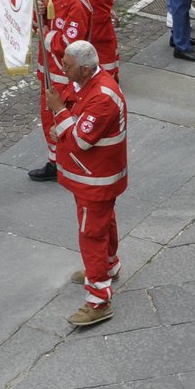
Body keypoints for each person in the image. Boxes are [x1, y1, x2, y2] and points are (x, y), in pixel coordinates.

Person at [53, 40, 128, 327]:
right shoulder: (89, 84)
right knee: (103, 222)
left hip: (95, 179)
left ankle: (98, 300)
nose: (63, 69)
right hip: (93, 177)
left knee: (91, 236)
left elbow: (80, 141)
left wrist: (59, 112)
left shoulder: (103, 97)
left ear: (85, 69)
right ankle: (109, 265)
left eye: (68, 66)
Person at [28, 0, 96, 182]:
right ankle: (55, 161)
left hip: (62, 75)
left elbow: (67, 44)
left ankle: (61, 164)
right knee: (49, 118)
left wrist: (47, 32)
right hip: (52, 72)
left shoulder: (76, 4)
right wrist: (43, 16)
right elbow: (54, 26)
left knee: (58, 117)